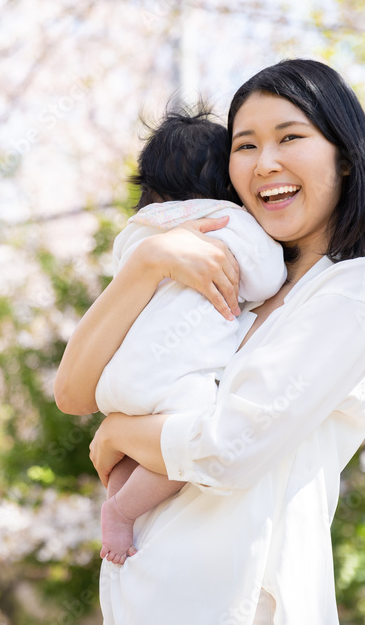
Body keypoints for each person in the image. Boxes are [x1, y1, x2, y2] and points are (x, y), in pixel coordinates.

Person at [54, 59, 365, 624]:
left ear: (344, 156)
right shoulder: (218, 279)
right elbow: (73, 394)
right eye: (244, 146)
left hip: (244, 604)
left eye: (290, 137)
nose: (266, 163)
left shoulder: (353, 291)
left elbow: (228, 448)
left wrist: (121, 431)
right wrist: (146, 262)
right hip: (145, 590)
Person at [96, 104, 287, 565]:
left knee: (135, 456)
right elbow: (266, 279)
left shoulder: (139, 232)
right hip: (174, 379)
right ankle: (121, 512)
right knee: (189, 441)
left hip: (119, 377)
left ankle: (118, 508)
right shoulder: (228, 222)